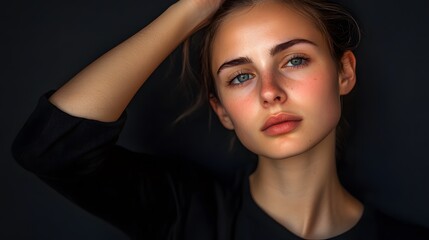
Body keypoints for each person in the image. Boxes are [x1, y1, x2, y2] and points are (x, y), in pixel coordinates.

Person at [11, 0, 429, 239]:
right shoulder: (185, 214)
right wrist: (191, 10)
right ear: (222, 111)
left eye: (295, 59)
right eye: (241, 76)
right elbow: (49, 149)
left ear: (345, 72)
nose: (270, 91)